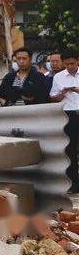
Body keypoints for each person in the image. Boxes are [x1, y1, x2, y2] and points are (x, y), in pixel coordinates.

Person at [50, 49, 79, 193]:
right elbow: (52, 97)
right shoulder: (59, 77)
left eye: (72, 63)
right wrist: (62, 94)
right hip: (68, 114)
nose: (70, 66)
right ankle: (74, 184)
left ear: (77, 61)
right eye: (66, 64)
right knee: (70, 150)